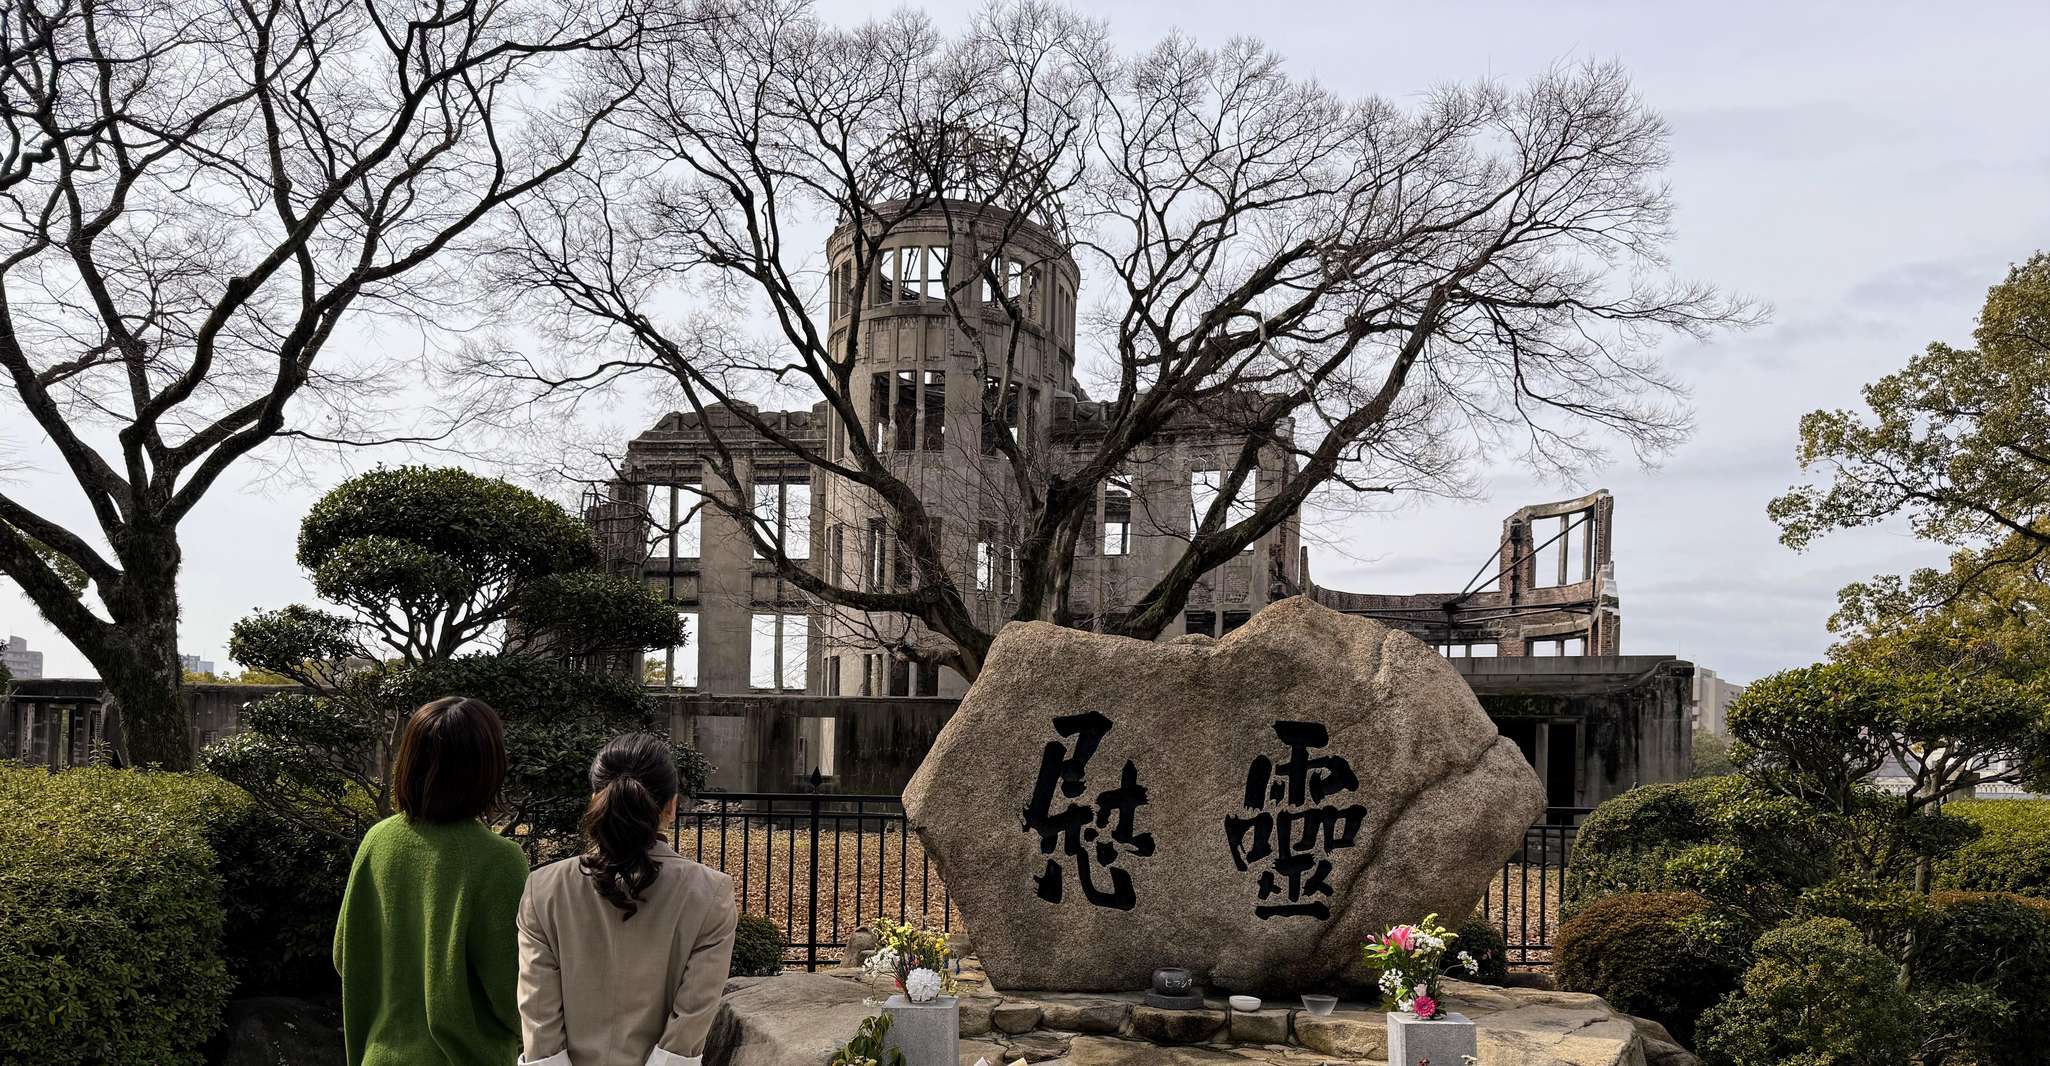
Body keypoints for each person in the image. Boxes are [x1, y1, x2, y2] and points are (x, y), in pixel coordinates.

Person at [517, 732, 738, 1066]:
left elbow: (538, 1012)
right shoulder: (711, 893)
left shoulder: (544, 888)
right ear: (671, 806)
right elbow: (693, 1014)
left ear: (595, 798)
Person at [334, 696, 529, 1066]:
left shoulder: (377, 840)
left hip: (378, 1055)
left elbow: (345, 956)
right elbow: (516, 994)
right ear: (487, 768)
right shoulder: (498, 860)